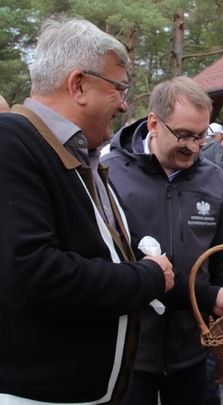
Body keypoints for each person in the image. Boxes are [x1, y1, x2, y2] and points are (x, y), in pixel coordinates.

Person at [0, 16, 177, 404]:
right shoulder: (11, 141)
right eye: (118, 87)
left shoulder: (80, 154)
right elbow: (35, 273)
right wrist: (147, 277)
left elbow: (106, 252)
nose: (125, 104)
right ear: (78, 85)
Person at [102, 76, 223, 405]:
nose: (193, 146)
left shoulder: (214, 180)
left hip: (195, 351)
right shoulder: (109, 173)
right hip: (130, 353)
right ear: (154, 124)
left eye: (201, 136)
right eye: (183, 135)